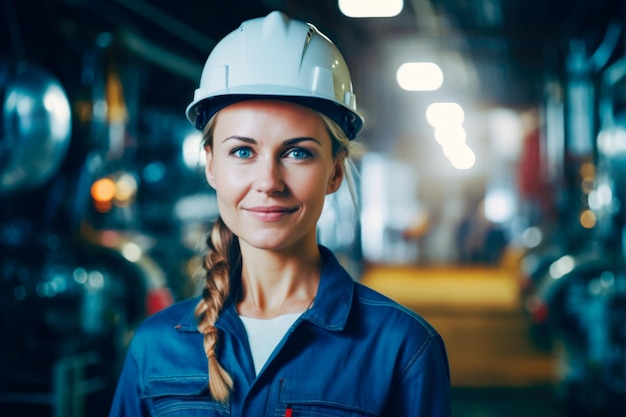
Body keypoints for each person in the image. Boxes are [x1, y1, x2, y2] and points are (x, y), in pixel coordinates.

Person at [109, 10, 451, 416]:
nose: (269, 181)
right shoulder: (155, 347)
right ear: (211, 165)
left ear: (335, 172)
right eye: (242, 151)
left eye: (297, 152)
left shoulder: (402, 348)